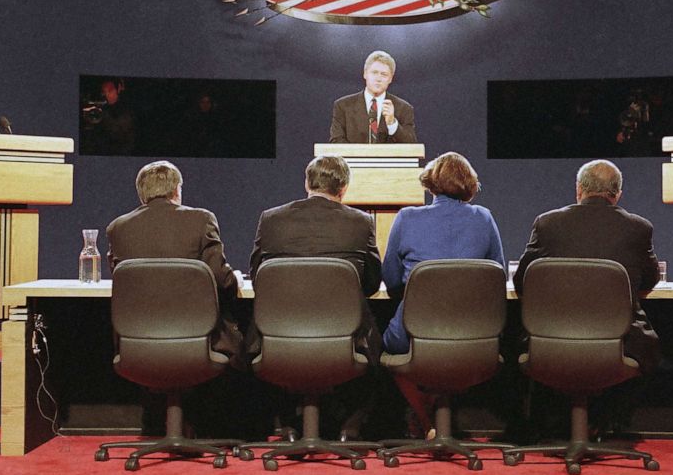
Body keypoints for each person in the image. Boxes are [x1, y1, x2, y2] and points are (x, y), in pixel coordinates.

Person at [248, 155, 384, 439]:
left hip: (278, 337)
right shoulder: (360, 222)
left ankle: (284, 424)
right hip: (345, 339)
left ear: (307, 183)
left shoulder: (271, 219)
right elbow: (371, 283)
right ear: (343, 188)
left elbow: (259, 278)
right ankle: (351, 426)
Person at [381, 151, 505, 437]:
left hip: (415, 332)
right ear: (469, 184)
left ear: (431, 183)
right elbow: (496, 277)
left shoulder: (406, 218)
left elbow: (391, 281)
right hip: (474, 333)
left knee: (387, 350)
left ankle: (426, 419)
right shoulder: (484, 218)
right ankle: (433, 417)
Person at [513, 159, 660, 375]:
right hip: (620, 345)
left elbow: (521, 282)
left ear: (579, 189)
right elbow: (649, 280)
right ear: (618, 194)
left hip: (550, 341)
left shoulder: (547, 224)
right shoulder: (639, 228)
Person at [106, 160, 242, 360]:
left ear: (141, 193)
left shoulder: (117, 228)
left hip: (136, 345)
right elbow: (220, 279)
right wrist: (235, 280)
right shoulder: (201, 219)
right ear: (177, 190)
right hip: (199, 343)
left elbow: (122, 280)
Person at [329, 50, 417, 144]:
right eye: (374, 72)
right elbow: (336, 141)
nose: (378, 79)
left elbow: (411, 145)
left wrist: (392, 123)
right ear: (365, 74)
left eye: (384, 74)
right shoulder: (343, 106)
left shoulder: (404, 108)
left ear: (390, 78)